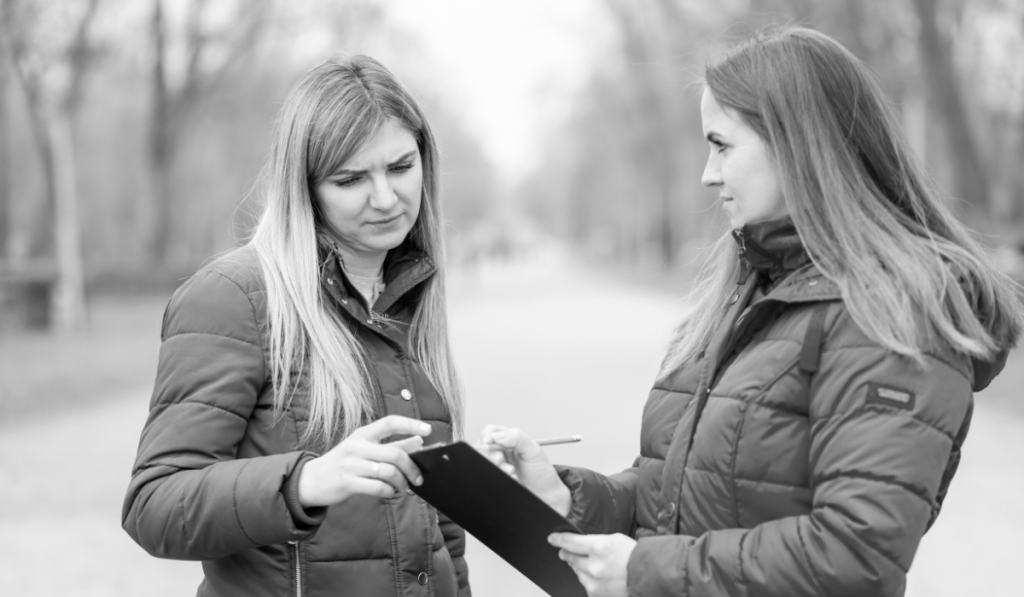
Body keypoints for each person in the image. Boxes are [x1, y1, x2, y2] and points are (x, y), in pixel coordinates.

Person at [480, 26, 1023, 597]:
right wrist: (567, 498)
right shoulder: (755, 287)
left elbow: (853, 556)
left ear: (794, 144)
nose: (707, 173)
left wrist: (645, 571)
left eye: (721, 145)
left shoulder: (893, 312)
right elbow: (691, 492)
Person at [122, 54, 471, 597]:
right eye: (351, 178)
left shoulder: (408, 294)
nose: (385, 198)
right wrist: (306, 481)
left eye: (401, 167)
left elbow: (438, 528)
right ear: (304, 188)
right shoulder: (235, 297)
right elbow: (155, 504)